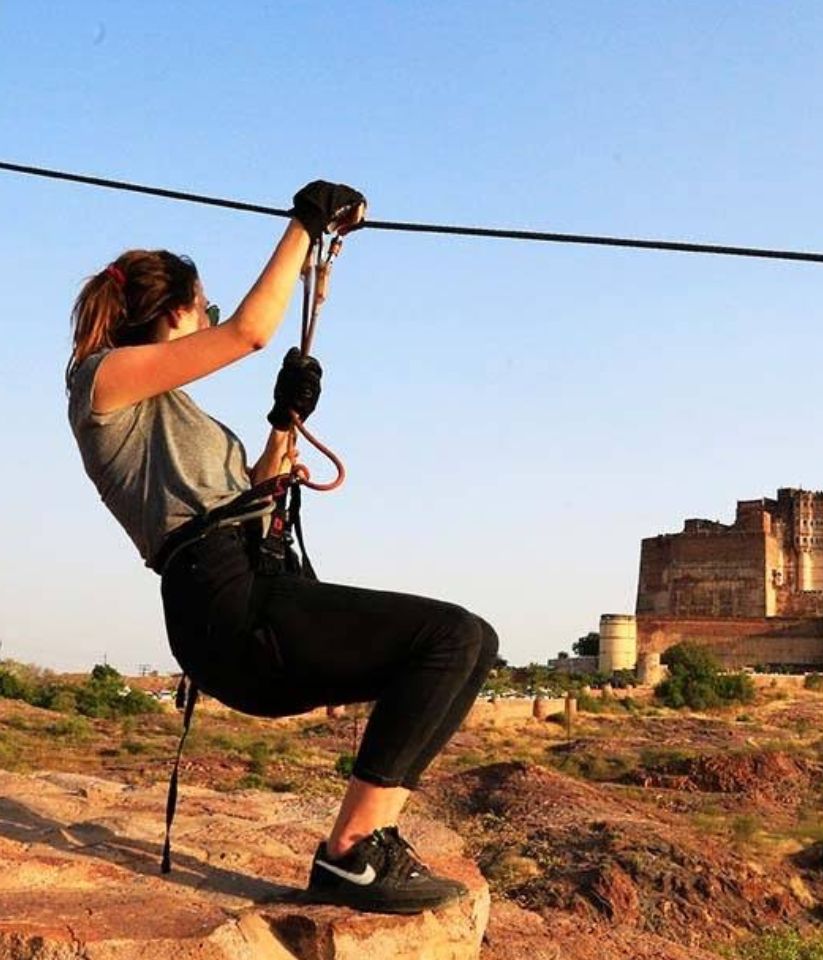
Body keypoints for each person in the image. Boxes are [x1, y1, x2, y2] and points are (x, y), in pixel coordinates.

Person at [65, 181, 499, 915]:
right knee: (450, 637)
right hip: (224, 598)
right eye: (202, 304)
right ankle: (350, 854)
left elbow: (244, 493)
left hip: (242, 589)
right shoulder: (100, 381)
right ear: (173, 310)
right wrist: (305, 226)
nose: (209, 315)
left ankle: (365, 845)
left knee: (465, 645)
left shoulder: (170, 410)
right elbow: (249, 332)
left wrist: (282, 422)